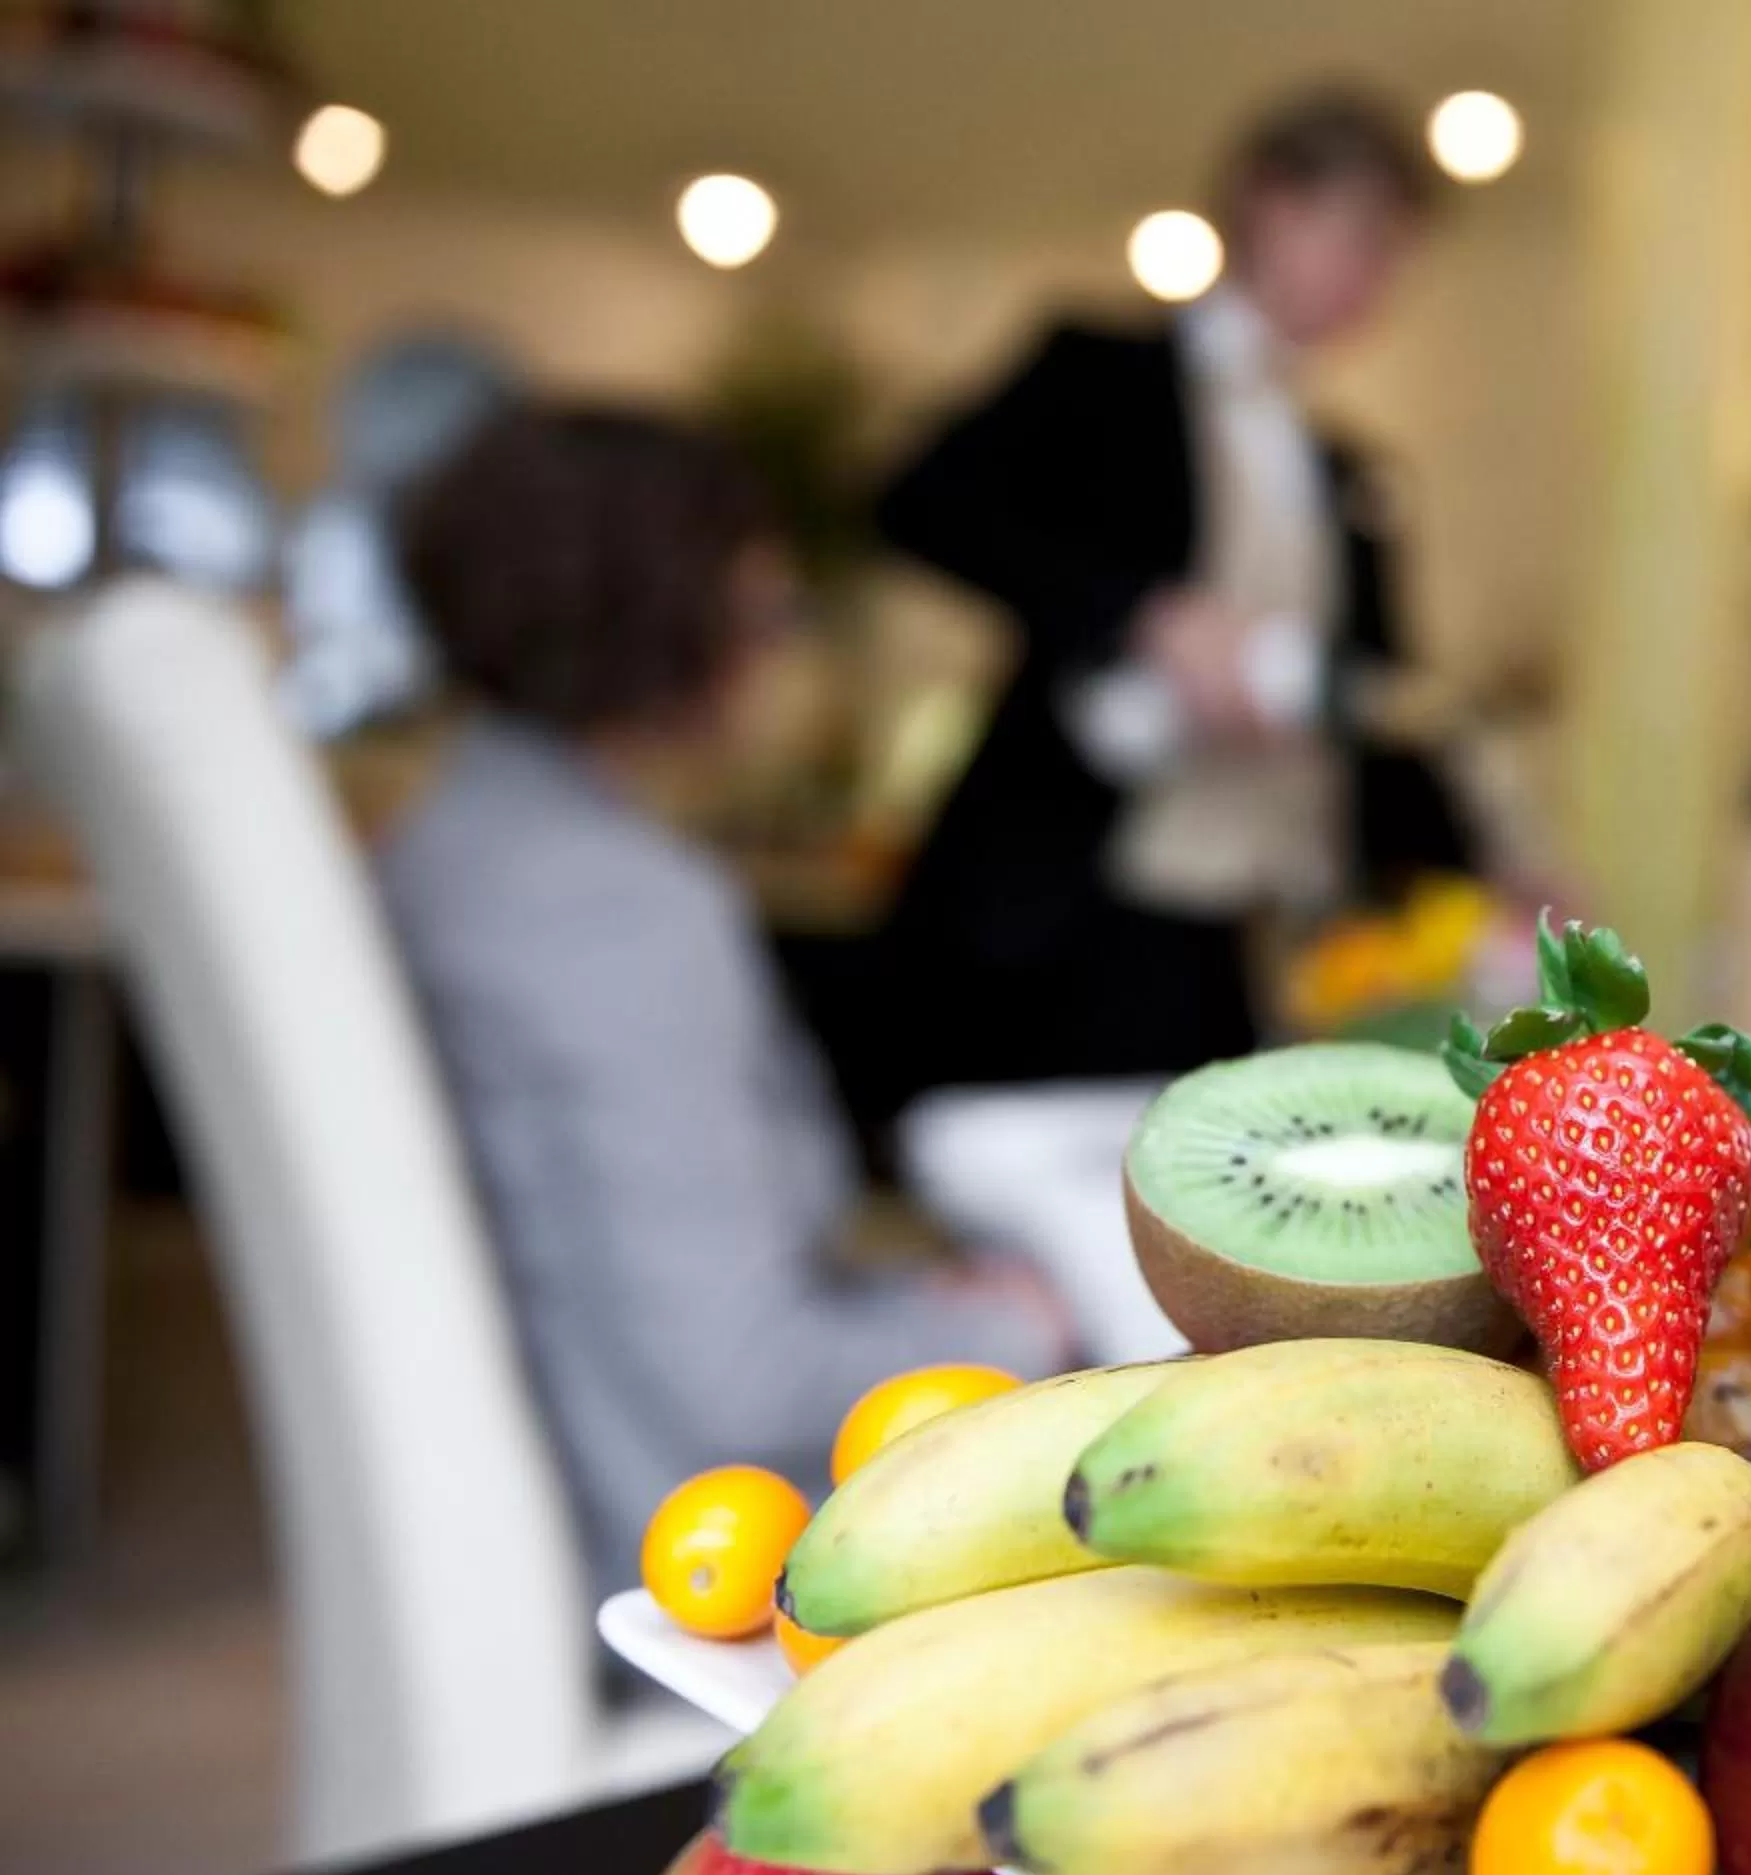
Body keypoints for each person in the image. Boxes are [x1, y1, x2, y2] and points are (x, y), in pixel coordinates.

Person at [380, 408, 1070, 1595]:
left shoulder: (451, 838)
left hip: (569, 1467)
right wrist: (1019, 1326)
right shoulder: (622, 911)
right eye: (763, 611)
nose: (776, 641)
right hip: (697, 1548)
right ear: (664, 622)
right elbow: (740, 1377)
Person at [873, 85, 1476, 1090]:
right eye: (1361, 240)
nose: (1376, 280)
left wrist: (1487, 864)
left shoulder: (1340, 463)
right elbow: (917, 503)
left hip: (1268, 925)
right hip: (1088, 905)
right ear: (1271, 203)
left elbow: (1379, 696)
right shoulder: (1102, 376)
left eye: (1394, 255)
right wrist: (1142, 615)